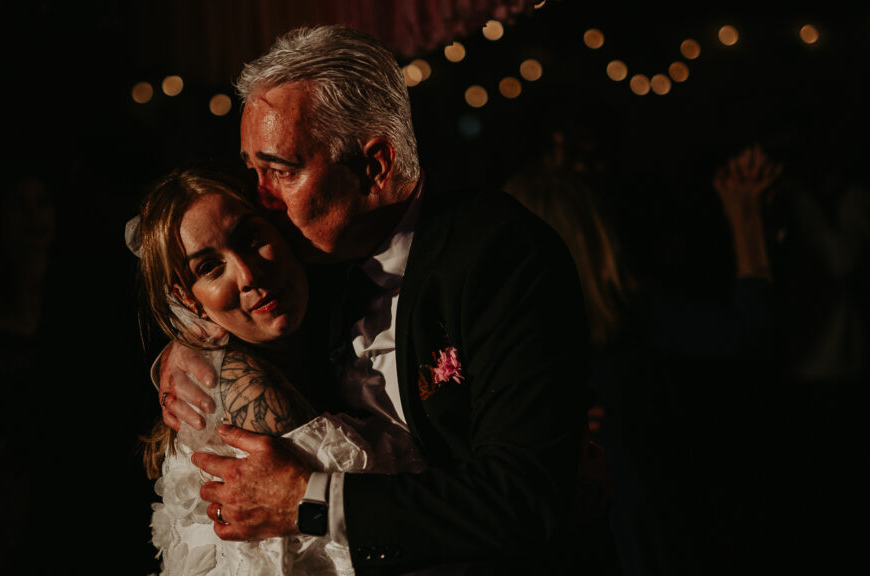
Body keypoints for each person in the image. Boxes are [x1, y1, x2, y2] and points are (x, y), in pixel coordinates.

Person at [151, 25, 605, 575]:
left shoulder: (498, 255)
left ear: (374, 167)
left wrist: (309, 500)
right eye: (253, 172)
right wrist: (189, 348)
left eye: (281, 171)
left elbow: (522, 499)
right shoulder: (309, 262)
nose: (261, 200)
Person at [130, 167, 423, 575]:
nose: (249, 276)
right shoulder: (240, 384)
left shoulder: (341, 305)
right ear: (189, 301)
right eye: (211, 268)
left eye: (250, 239)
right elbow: (383, 544)